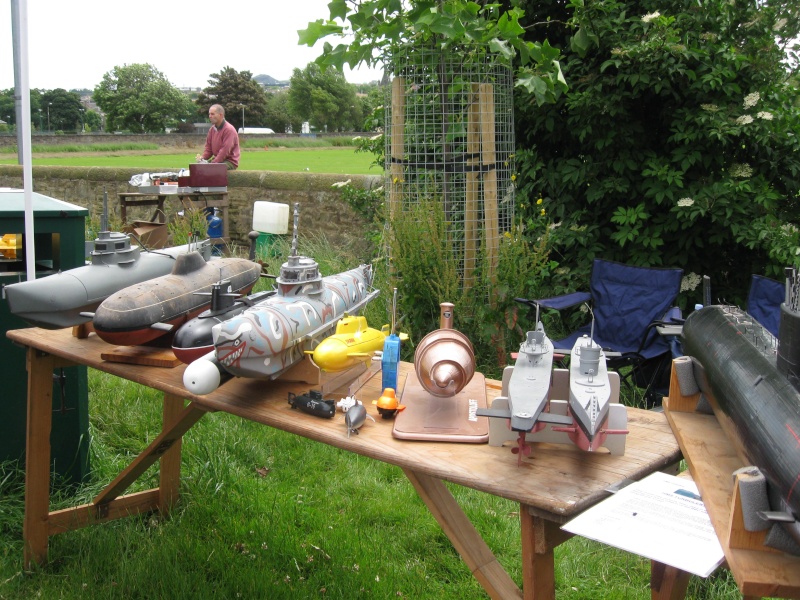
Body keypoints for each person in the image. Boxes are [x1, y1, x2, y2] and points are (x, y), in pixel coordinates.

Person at [196, 104, 240, 170]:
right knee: (199, 169)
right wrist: (202, 158)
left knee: (210, 170)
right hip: (218, 160)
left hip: (229, 161)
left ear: (221, 115)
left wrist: (213, 164)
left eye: (213, 114)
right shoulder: (212, 130)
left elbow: (225, 151)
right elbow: (208, 149)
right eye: (209, 114)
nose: (210, 116)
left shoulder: (229, 130)